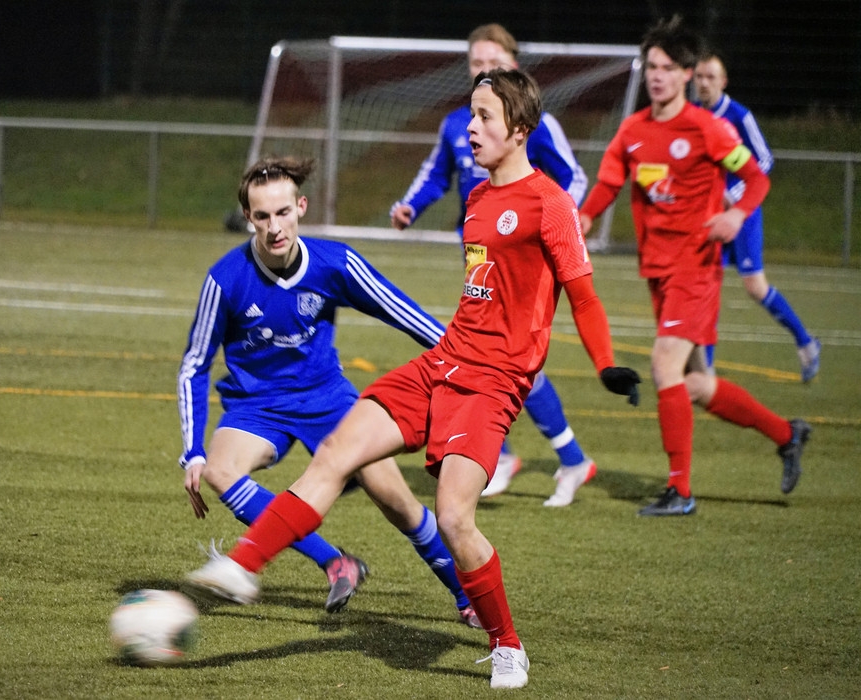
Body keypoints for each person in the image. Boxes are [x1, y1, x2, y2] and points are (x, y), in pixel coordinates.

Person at [187, 69, 642, 689]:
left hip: (492, 383)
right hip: (443, 363)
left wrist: (606, 363)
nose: (469, 128)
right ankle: (244, 566)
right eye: (470, 113)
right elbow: (481, 297)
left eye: (483, 116)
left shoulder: (550, 203)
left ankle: (506, 644)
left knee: (454, 517)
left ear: (519, 129)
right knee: (337, 453)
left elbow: (583, 296)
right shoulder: (477, 200)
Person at [178, 155, 481, 627]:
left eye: (283, 212)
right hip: (256, 406)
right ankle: (336, 562)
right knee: (219, 469)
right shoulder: (226, 278)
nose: (275, 227)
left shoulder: (335, 263)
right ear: (248, 217)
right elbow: (195, 364)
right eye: (263, 216)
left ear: (301, 207)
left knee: (398, 503)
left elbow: (402, 312)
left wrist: (469, 363)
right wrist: (192, 451)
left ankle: (467, 598)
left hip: (328, 400)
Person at [577, 16, 812, 517]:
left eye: (667, 68)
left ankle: (680, 491)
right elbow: (609, 182)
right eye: (652, 67)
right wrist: (585, 216)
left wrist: (736, 214)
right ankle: (787, 434)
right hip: (658, 271)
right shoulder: (633, 130)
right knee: (695, 384)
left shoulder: (708, 129)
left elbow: (756, 179)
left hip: (697, 268)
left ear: (687, 73)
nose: (657, 76)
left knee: (664, 364)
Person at [390, 22, 596, 506]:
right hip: (479, 260)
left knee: (505, 360)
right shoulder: (457, 125)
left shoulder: (529, 124)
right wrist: (410, 207)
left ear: (513, 66)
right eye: (476, 63)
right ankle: (525, 457)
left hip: (525, 263)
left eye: (493, 62)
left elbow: (573, 177)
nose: (482, 69)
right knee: (484, 359)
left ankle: (552, 458)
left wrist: (562, 225)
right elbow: (435, 175)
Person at [692, 50, 821, 382]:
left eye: (710, 77)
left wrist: (734, 196)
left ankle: (806, 342)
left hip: (742, 214)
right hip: (710, 217)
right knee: (706, 288)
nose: (704, 83)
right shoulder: (691, 114)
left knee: (754, 286)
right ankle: (706, 370)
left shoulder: (738, 115)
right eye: (699, 77)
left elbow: (764, 160)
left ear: (723, 81)